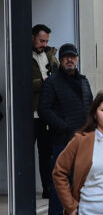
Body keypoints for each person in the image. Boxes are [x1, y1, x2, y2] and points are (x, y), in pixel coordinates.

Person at [38, 42, 93, 215]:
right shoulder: (52, 82)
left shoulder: (84, 81)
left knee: (82, 180)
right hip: (62, 140)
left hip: (84, 139)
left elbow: (91, 107)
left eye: (73, 56)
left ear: (77, 59)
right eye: (66, 57)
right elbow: (44, 110)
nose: (70, 60)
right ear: (60, 60)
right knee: (59, 180)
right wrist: (64, 126)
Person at [32, 23, 57, 199]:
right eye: (41, 40)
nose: (44, 44)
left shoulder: (50, 55)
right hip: (29, 113)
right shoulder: (22, 54)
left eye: (46, 41)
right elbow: (20, 82)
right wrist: (44, 82)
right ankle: (23, 191)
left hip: (46, 112)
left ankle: (48, 188)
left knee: (46, 153)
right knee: (25, 152)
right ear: (32, 38)